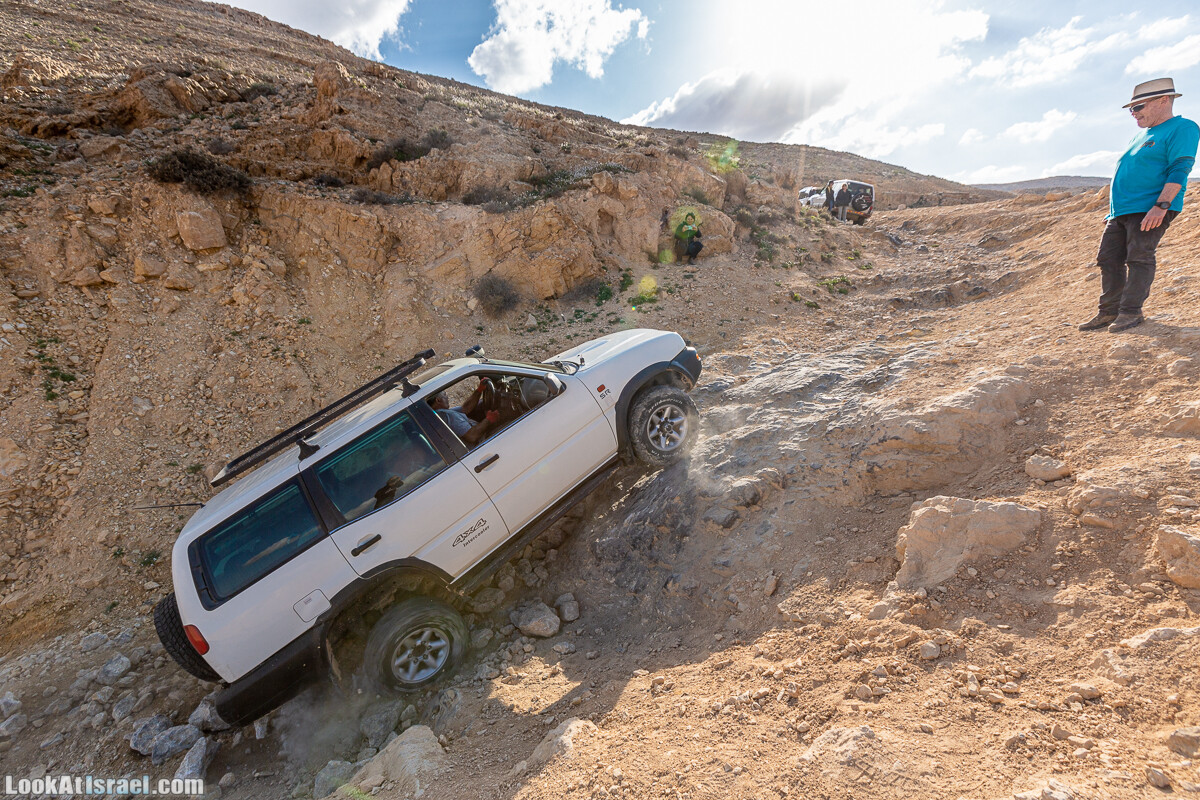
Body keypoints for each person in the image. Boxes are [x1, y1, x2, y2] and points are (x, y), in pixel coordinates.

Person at [1080, 77, 1198, 333]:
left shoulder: (1183, 127)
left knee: (1139, 257)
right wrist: (1114, 209)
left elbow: (1180, 168)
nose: (1133, 114)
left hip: (1150, 207)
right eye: (1131, 109)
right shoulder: (1142, 135)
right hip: (1123, 210)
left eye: (1138, 107)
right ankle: (1108, 311)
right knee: (1108, 259)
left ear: (1164, 100)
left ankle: (1131, 312)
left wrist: (1162, 205)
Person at [428, 390, 497, 446]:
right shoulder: (446, 416)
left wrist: (479, 390)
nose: (447, 397)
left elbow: (465, 409)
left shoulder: (437, 415)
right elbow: (472, 436)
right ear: (438, 400)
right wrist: (489, 419)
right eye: (445, 394)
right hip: (481, 444)